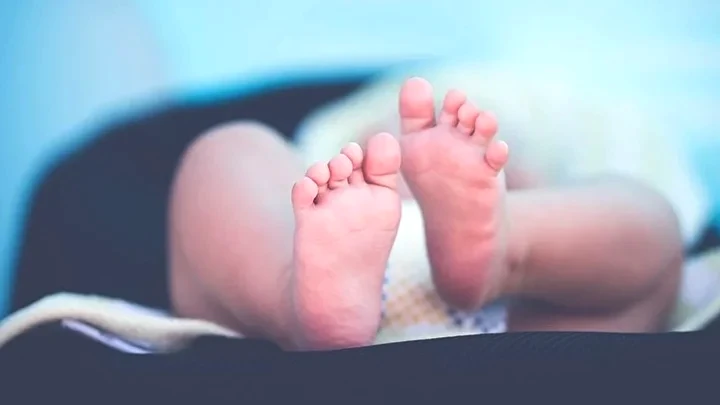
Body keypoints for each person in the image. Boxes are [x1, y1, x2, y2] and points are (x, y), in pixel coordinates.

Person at [168, 77, 683, 351]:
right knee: (232, 155)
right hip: (309, 260)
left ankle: (506, 249)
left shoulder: (554, 182)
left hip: (520, 312)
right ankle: (295, 297)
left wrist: (512, 195)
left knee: (648, 224)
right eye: (398, 138)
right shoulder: (310, 183)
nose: (428, 137)